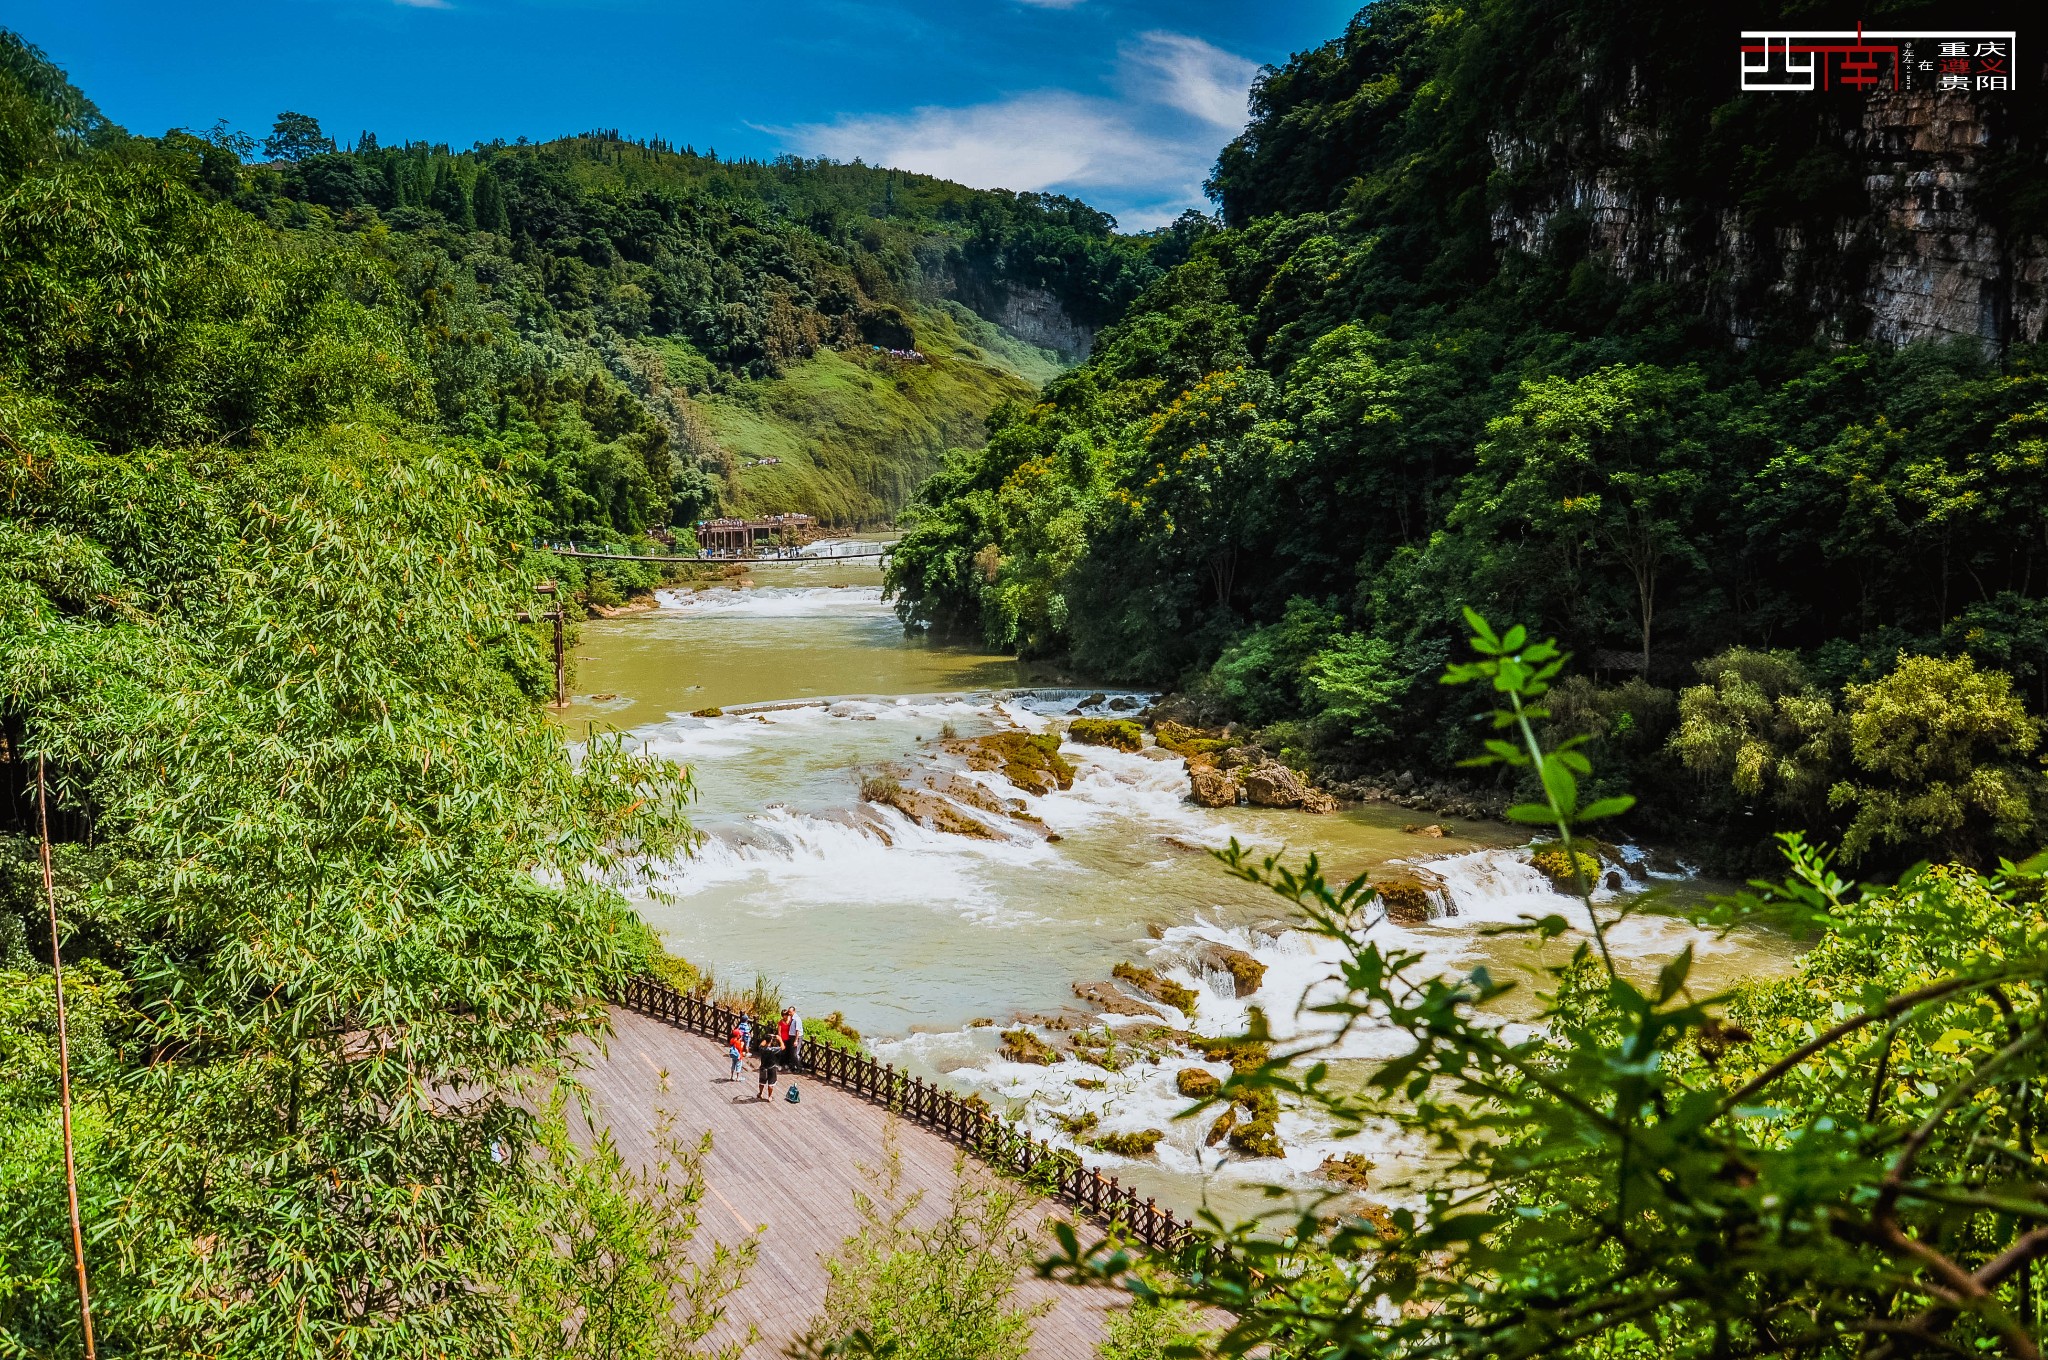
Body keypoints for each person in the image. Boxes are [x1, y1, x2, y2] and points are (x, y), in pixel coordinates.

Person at [756, 1034, 784, 1102]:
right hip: (772, 1068)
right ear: (771, 1040)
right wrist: (780, 1039)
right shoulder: (773, 1049)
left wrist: (766, 1038)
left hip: (763, 1067)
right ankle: (769, 1096)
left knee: (762, 1082)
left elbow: (761, 1044)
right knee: (771, 1083)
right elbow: (782, 1047)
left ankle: (760, 1093)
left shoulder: (762, 1048)